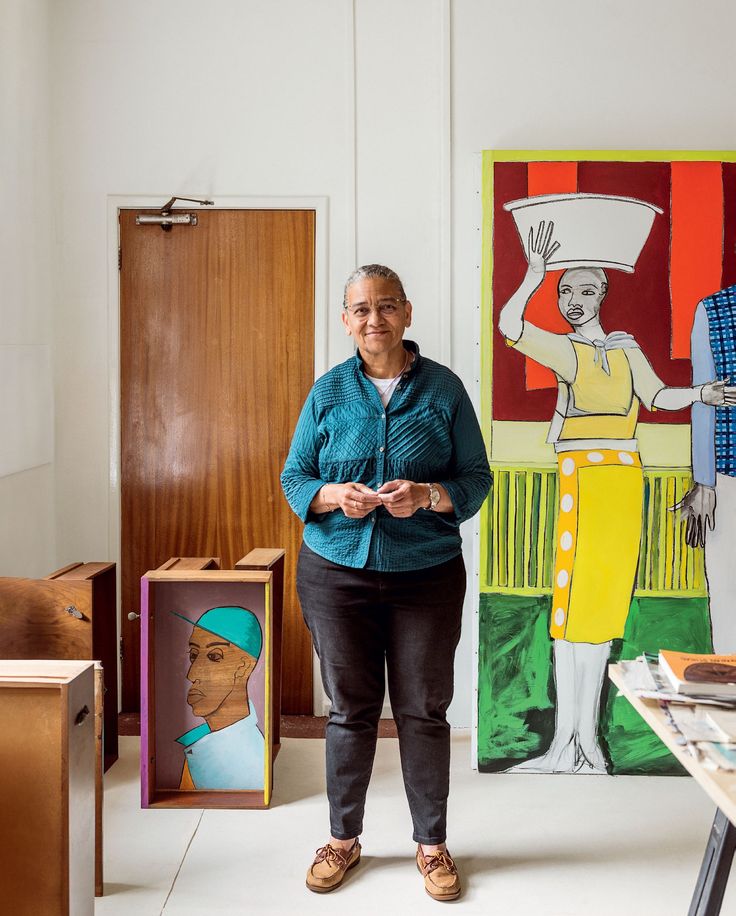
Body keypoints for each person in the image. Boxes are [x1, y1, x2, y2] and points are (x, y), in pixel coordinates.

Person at [281, 264, 490, 900]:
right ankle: (343, 838)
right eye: (362, 309)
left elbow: (476, 478)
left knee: (424, 711)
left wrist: (428, 494)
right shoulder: (327, 393)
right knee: (350, 711)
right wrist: (328, 495)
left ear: (406, 312)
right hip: (334, 575)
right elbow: (294, 478)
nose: (375, 319)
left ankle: (431, 845)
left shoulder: (445, 390)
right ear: (346, 320)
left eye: (387, 306)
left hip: (424, 576)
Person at [498, 220, 736, 774]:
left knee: (604, 607)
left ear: (604, 295)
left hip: (624, 478)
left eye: (586, 290)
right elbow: (511, 323)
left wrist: (703, 392)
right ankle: (565, 743)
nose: (574, 300)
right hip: (582, 476)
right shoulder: (562, 349)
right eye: (566, 291)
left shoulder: (625, 347)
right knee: (571, 606)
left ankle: (589, 744)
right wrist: (533, 276)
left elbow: (654, 394)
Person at [678, 284, 736, 652]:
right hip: (728, 475)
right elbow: (703, 401)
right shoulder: (713, 311)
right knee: (727, 595)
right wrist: (704, 481)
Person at [173, 606, 264, 790]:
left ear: (244, 667)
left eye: (214, 656)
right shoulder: (204, 740)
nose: (192, 674)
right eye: (193, 656)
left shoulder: (249, 764)